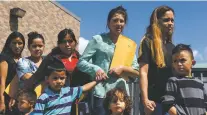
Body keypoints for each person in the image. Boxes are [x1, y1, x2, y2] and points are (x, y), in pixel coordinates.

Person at [77, 5, 139, 115]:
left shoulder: (129, 44)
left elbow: (136, 72)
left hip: (121, 95)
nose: (119, 24)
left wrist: (123, 68)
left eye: (122, 21)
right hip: (101, 93)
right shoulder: (97, 40)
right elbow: (81, 62)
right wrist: (96, 69)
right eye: (115, 20)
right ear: (108, 22)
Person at [138, 5, 175, 115]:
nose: (170, 23)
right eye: (166, 20)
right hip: (152, 101)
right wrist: (145, 100)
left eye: (172, 20)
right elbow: (143, 72)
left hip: (169, 101)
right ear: (157, 21)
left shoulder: (172, 47)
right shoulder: (147, 42)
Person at [31, 56, 99, 115]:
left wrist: (97, 81)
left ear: (66, 78)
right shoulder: (43, 98)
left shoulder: (69, 92)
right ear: (47, 79)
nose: (59, 81)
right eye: (55, 78)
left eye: (62, 78)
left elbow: (85, 87)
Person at [161, 44, 207, 115]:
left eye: (183, 60)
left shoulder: (200, 83)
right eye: (175, 61)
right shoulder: (173, 81)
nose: (179, 64)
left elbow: (205, 103)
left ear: (193, 63)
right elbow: (167, 103)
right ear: (173, 65)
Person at [8, 31, 45, 110]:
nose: (37, 48)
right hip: (28, 105)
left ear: (44, 46)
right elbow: (30, 79)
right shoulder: (22, 62)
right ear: (29, 47)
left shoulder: (48, 61)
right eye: (34, 46)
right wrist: (47, 79)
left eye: (40, 46)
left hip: (46, 103)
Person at [0, 31, 25, 114]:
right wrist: (2, 102)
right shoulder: (4, 58)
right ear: (9, 44)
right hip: (7, 98)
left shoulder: (21, 60)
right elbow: (2, 82)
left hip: (18, 98)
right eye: (14, 43)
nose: (17, 46)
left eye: (20, 43)